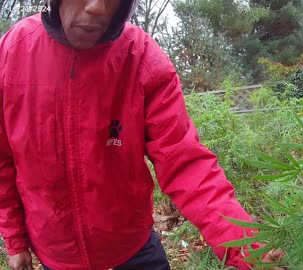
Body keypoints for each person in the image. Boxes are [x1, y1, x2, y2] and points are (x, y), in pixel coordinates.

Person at [0, 0, 284, 269]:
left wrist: (250, 249)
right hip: (57, 253)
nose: (98, 7)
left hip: (133, 245)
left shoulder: (141, 58)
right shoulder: (12, 54)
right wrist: (15, 241)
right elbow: (2, 162)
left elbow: (186, 163)